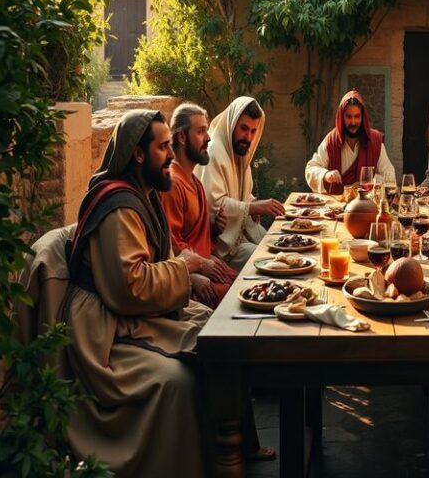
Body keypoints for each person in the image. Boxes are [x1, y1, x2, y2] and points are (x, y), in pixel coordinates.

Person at [64, 110, 212, 477]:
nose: (172, 156)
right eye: (163, 148)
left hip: (131, 317)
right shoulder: (120, 206)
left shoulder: (143, 195)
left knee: (216, 332)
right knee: (175, 382)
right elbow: (129, 288)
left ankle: (225, 452)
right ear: (138, 154)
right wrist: (185, 268)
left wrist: (183, 268)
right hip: (105, 331)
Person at [160, 102, 238, 309]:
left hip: (205, 264)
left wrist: (212, 228)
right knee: (239, 297)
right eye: (201, 131)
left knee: (247, 282)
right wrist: (194, 274)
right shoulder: (173, 185)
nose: (209, 138)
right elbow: (170, 244)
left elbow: (192, 234)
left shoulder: (194, 181)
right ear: (182, 137)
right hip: (189, 277)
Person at [197, 97, 284, 271]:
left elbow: (240, 193)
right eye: (244, 129)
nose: (248, 137)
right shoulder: (214, 152)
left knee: (278, 244)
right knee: (266, 260)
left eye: (253, 131)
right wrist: (252, 208)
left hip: (241, 231)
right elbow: (214, 206)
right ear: (232, 124)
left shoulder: (240, 152)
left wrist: (252, 203)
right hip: (221, 244)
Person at [305, 89, 395, 194]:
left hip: (366, 205)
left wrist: (378, 183)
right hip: (337, 205)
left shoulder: (374, 141)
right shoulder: (331, 141)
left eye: (357, 116)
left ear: (362, 118)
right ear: (341, 117)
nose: (353, 122)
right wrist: (326, 175)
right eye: (348, 116)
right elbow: (311, 169)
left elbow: (389, 174)